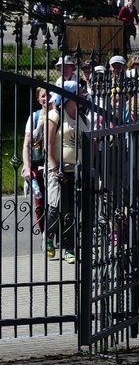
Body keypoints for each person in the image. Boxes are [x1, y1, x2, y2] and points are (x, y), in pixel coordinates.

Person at [45, 81, 91, 264]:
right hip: (58, 168)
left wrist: (89, 166)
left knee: (71, 210)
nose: (83, 95)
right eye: (79, 92)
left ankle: (69, 248)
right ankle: (49, 237)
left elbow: (89, 144)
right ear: (71, 95)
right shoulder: (55, 115)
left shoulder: (83, 118)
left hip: (77, 170)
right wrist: (54, 167)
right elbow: (48, 143)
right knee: (56, 208)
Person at [22, 87, 51, 243]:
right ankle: (45, 235)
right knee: (40, 202)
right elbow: (26, 145)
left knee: (56, 202)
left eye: (49, 95)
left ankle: (57, 233)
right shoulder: (34, 117)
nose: (47, 98)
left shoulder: (58, 116)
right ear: (38, 99)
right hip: (37, 166)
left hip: (54, 165)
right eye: (43, 96)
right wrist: (27, 167)